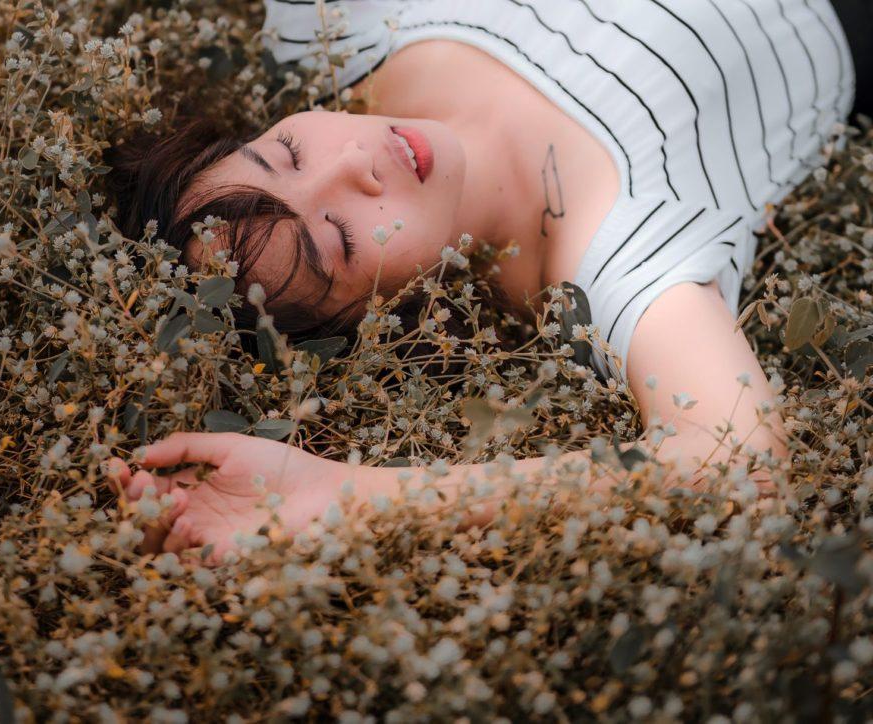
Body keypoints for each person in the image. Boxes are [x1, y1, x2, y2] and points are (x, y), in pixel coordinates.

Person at [104, 0, 865, 565]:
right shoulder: (618, 258)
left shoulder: (341, 31)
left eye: (291, 152)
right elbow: (741, 461)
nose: (355, 165)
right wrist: (343, 496)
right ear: (373, 326)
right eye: (334, 239)